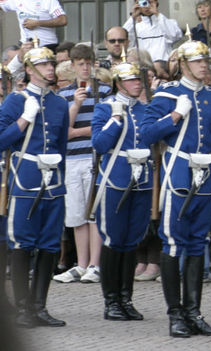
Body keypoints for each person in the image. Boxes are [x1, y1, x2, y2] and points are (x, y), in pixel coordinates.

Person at [140, 40, 211, 338]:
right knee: (174, 243)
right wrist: (175, 115)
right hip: (178, 176)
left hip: (205, 178)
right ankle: (175, 314)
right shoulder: (168, 94)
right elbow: (147, 133)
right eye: (198, 61)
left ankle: (193, 312)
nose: (205, 65)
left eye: (206, 60)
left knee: (197, 244)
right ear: (184, 64)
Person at [0, 44, 69, 327]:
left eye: (51, 64)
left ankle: (40, 307)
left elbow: (61, 145)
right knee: (23, 244)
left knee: (50, 245)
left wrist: (60, 179)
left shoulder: (60, 103)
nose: (50, 68)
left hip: (52, 181)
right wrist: (24, 119)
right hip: (24, 180)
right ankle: (23, 308)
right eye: (43, 65)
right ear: (28, 70)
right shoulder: (16, 102)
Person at [90, 62, 152, 321]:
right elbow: (100, 144)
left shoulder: (146, 110)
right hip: (115, 179)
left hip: (142, 180)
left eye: (139, 79)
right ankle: (111, 300)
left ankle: (126, 298)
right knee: (114, 240)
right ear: (118, 84)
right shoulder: (104, 108)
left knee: (131, 241)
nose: (138, 83)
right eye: (131, 80)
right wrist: (115, 119)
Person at [54, 44, 113, 285]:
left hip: (93, 156)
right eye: (80, 64)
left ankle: (95, 264)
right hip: (72, 159)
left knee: (93, 213)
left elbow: (106, 126)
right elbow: (62, 132)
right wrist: (76, 105)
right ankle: (80, 264)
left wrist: (77, 131)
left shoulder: (105, 91)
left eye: (88, 63)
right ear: (73, 66)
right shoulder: (65, 95)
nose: (85, 68)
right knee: (77, 214)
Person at [122, 0, 183, 64]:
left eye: (149, 3)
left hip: (164, 64)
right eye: (143, 3)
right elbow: (123, 40)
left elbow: (174, 36)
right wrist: (133, 17)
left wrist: (157, 13)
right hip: (144, 66)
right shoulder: (136, 27)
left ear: (156, 3)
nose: (146, 6)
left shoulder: (168, 22)